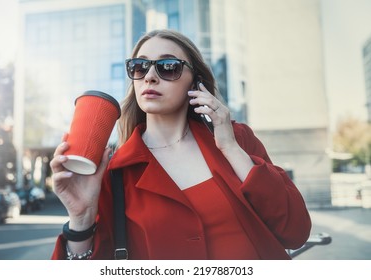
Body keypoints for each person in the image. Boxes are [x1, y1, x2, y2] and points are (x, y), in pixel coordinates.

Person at [50, 29, 311, 260]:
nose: (150, 77)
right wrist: (81, 218)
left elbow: (295, 231)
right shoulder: (115, 173)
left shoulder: (236, 139)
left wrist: (231, 149)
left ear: (195, 82)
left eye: (168, 66)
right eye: (140, 66)